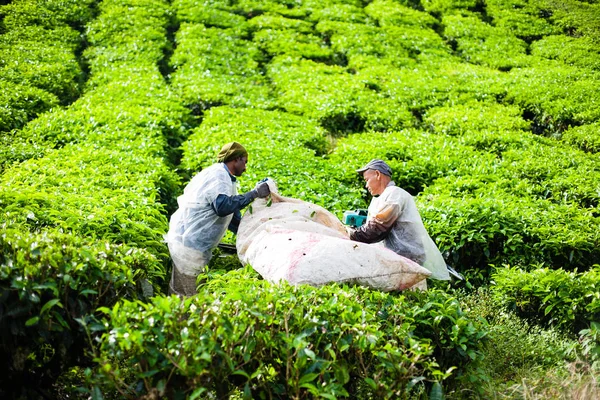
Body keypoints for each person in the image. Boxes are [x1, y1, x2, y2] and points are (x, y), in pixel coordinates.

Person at [165, 142, 271, 296]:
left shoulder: (227, 179)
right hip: (189, 245)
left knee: (192, 294)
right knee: (185, 296)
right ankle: (177, 320)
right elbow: (222, 207)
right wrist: (253, 193)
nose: (246, 168)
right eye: (245, 162)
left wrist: (253, 236)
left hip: (197, 246)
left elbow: (233, 219)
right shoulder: (218, 175)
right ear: (236, 159)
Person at [348, 159, 450, 280]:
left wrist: (352, 234)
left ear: (378, 174)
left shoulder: (394, 194)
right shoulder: (380, 198)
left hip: (407, 258)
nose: (366, 185)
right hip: (396, 258)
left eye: (367, 180)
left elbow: (378, 228)